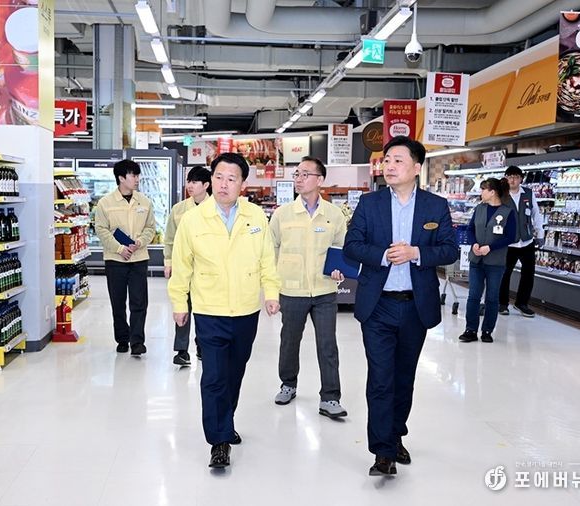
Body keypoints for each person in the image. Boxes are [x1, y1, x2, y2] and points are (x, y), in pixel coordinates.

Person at [343, 136, 458, 477]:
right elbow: (352, 245)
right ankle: (382, 452)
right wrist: (383, 255)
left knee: (404, 377)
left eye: (398, 160)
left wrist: (416, 253)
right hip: (378, 305)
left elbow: (450, 250)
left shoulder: (435, 206)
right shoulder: (370, 203)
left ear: (416, 167)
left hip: (414, 306)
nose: (389, 166)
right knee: (381, 378)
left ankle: (395, 436)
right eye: (387, 160)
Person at [168, 152, 281, 469]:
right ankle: (218, 441)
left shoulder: (256, 216)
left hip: (246, 309)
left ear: (242, 184)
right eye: (218, 177)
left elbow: (266, 259)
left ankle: (225, 421)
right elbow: (181, 265)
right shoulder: (193, 219)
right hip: (209, 308)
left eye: (231, 178)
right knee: (214, 376)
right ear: (211, 180)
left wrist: (271, 293)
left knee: (234, 372)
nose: (223, 184)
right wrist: (179, 303)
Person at [269, 156, 348, 419]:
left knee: (328, 344)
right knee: (289, 341)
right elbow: (271, 250)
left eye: (305, 174)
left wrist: (339, 270)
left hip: (325, 291)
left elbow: (341, 250)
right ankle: (288, 384)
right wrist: (271, 288)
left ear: (319, 180)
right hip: (292, 290)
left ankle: (330, 397)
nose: (299, 179)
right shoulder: (282, 214)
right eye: (297, 174)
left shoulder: (334, 215)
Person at [94, 159, 156, 356]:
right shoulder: (105, 203)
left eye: (138, 175)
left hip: (139, 258)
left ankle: (137, 341)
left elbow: (151, 227)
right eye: (133, 175)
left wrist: (140, 242)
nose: (137, 179)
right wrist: (119, 248)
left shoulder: (144, 202)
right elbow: (101, 230)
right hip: (115, 260)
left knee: (139, 302)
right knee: (118, 302)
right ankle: (122, 338)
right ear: (121, 178)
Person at [163, 166, 211, 366]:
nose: (190, 185)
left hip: (207, 269)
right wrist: (168, 262)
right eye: (188, 181)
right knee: (182, 305)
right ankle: (182, 350)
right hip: (183, 267)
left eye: (195, 182)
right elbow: (169, 238)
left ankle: (202, 345)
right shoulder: (179, 209)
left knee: (204, 309)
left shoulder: (216, 208)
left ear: (206, 185)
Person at [459, 178, 516, 343]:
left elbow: (510, 236)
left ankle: (487, 331)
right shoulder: (479, 208)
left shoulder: (507, 212)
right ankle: (470, 329)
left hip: (495, 262)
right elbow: (470, 229)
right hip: (476, 260)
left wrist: (490, 247)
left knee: (492, 298)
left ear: (492, 192)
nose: (481, 192)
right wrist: (474, 243)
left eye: (483, 189)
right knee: (473, 296)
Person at [498, 165, 545, 317]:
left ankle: (522, 303)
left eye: (516, 177)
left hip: (526, 241)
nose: (512, 180)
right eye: (510, 177)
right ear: (506, 178)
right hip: (507, 242)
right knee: (504, 274)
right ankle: (502, 303)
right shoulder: (501, 194)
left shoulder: (528, 194)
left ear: (521, 179)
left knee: (528, 274)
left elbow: (536, 214)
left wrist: (540, 233)